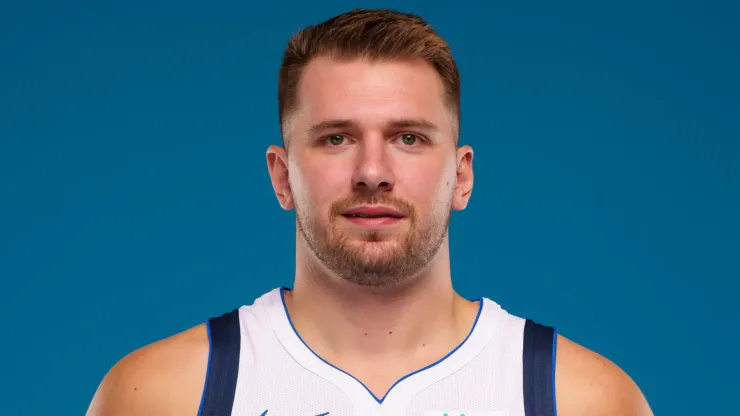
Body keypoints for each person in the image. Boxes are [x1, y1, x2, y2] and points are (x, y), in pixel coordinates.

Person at [86, 8, 653, 416]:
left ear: (463, 175)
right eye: (336, 139)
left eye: (409, 137)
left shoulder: (582, 399)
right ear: (282, 176)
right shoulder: (164, 396)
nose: (373, 170)